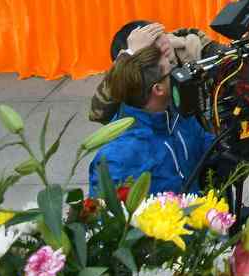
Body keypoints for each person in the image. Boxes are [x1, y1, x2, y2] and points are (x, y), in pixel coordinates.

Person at [86, 47, 212, 197]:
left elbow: (206, 146)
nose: (180, 75)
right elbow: (104, 214)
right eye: (171, 71)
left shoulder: (178, 114)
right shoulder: (117, 158)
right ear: (158, 89)